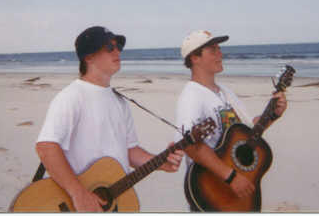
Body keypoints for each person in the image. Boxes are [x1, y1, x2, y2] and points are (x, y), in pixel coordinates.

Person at [36, 26, 183, 212]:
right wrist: (78, 193)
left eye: (118, 46)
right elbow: (46, 147)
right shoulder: (71, 97)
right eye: (109, 47)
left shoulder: (120, 102)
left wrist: (160, 162)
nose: (117, 52)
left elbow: (129, 151)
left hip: (113, 202)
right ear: (88, 57)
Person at [174, 30, 288, 208]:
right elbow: (189, 144)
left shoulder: (225, 91)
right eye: (213, 50)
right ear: (195, 58)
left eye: (219, 49)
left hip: (237, 187)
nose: (220, 54)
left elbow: (248, 131)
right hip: (212, 189)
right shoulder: (191, 96)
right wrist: (231, 177)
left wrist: (273, 114)